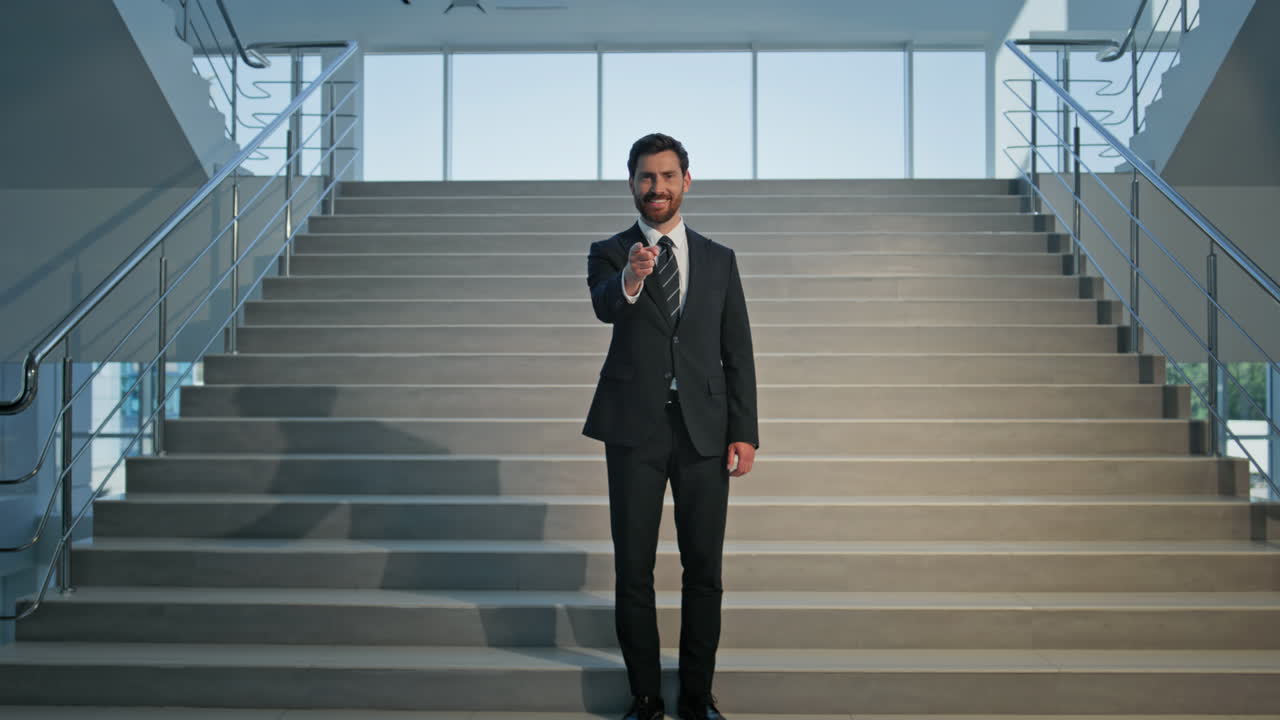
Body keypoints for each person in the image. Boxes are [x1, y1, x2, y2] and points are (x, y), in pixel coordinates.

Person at [583, 133, 759, 720]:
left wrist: (745, 430)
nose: (655, 187)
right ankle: (645, 698)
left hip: (704, 432)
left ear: (687, 180)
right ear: (631, 184)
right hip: (635, 430)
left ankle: (696, 695)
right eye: (645, 178)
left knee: (703, 568)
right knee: (633, 568)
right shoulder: (610, 250)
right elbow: (606, 305)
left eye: (666, 176)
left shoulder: (719, 258)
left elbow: (738, 350)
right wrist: (632, 278)